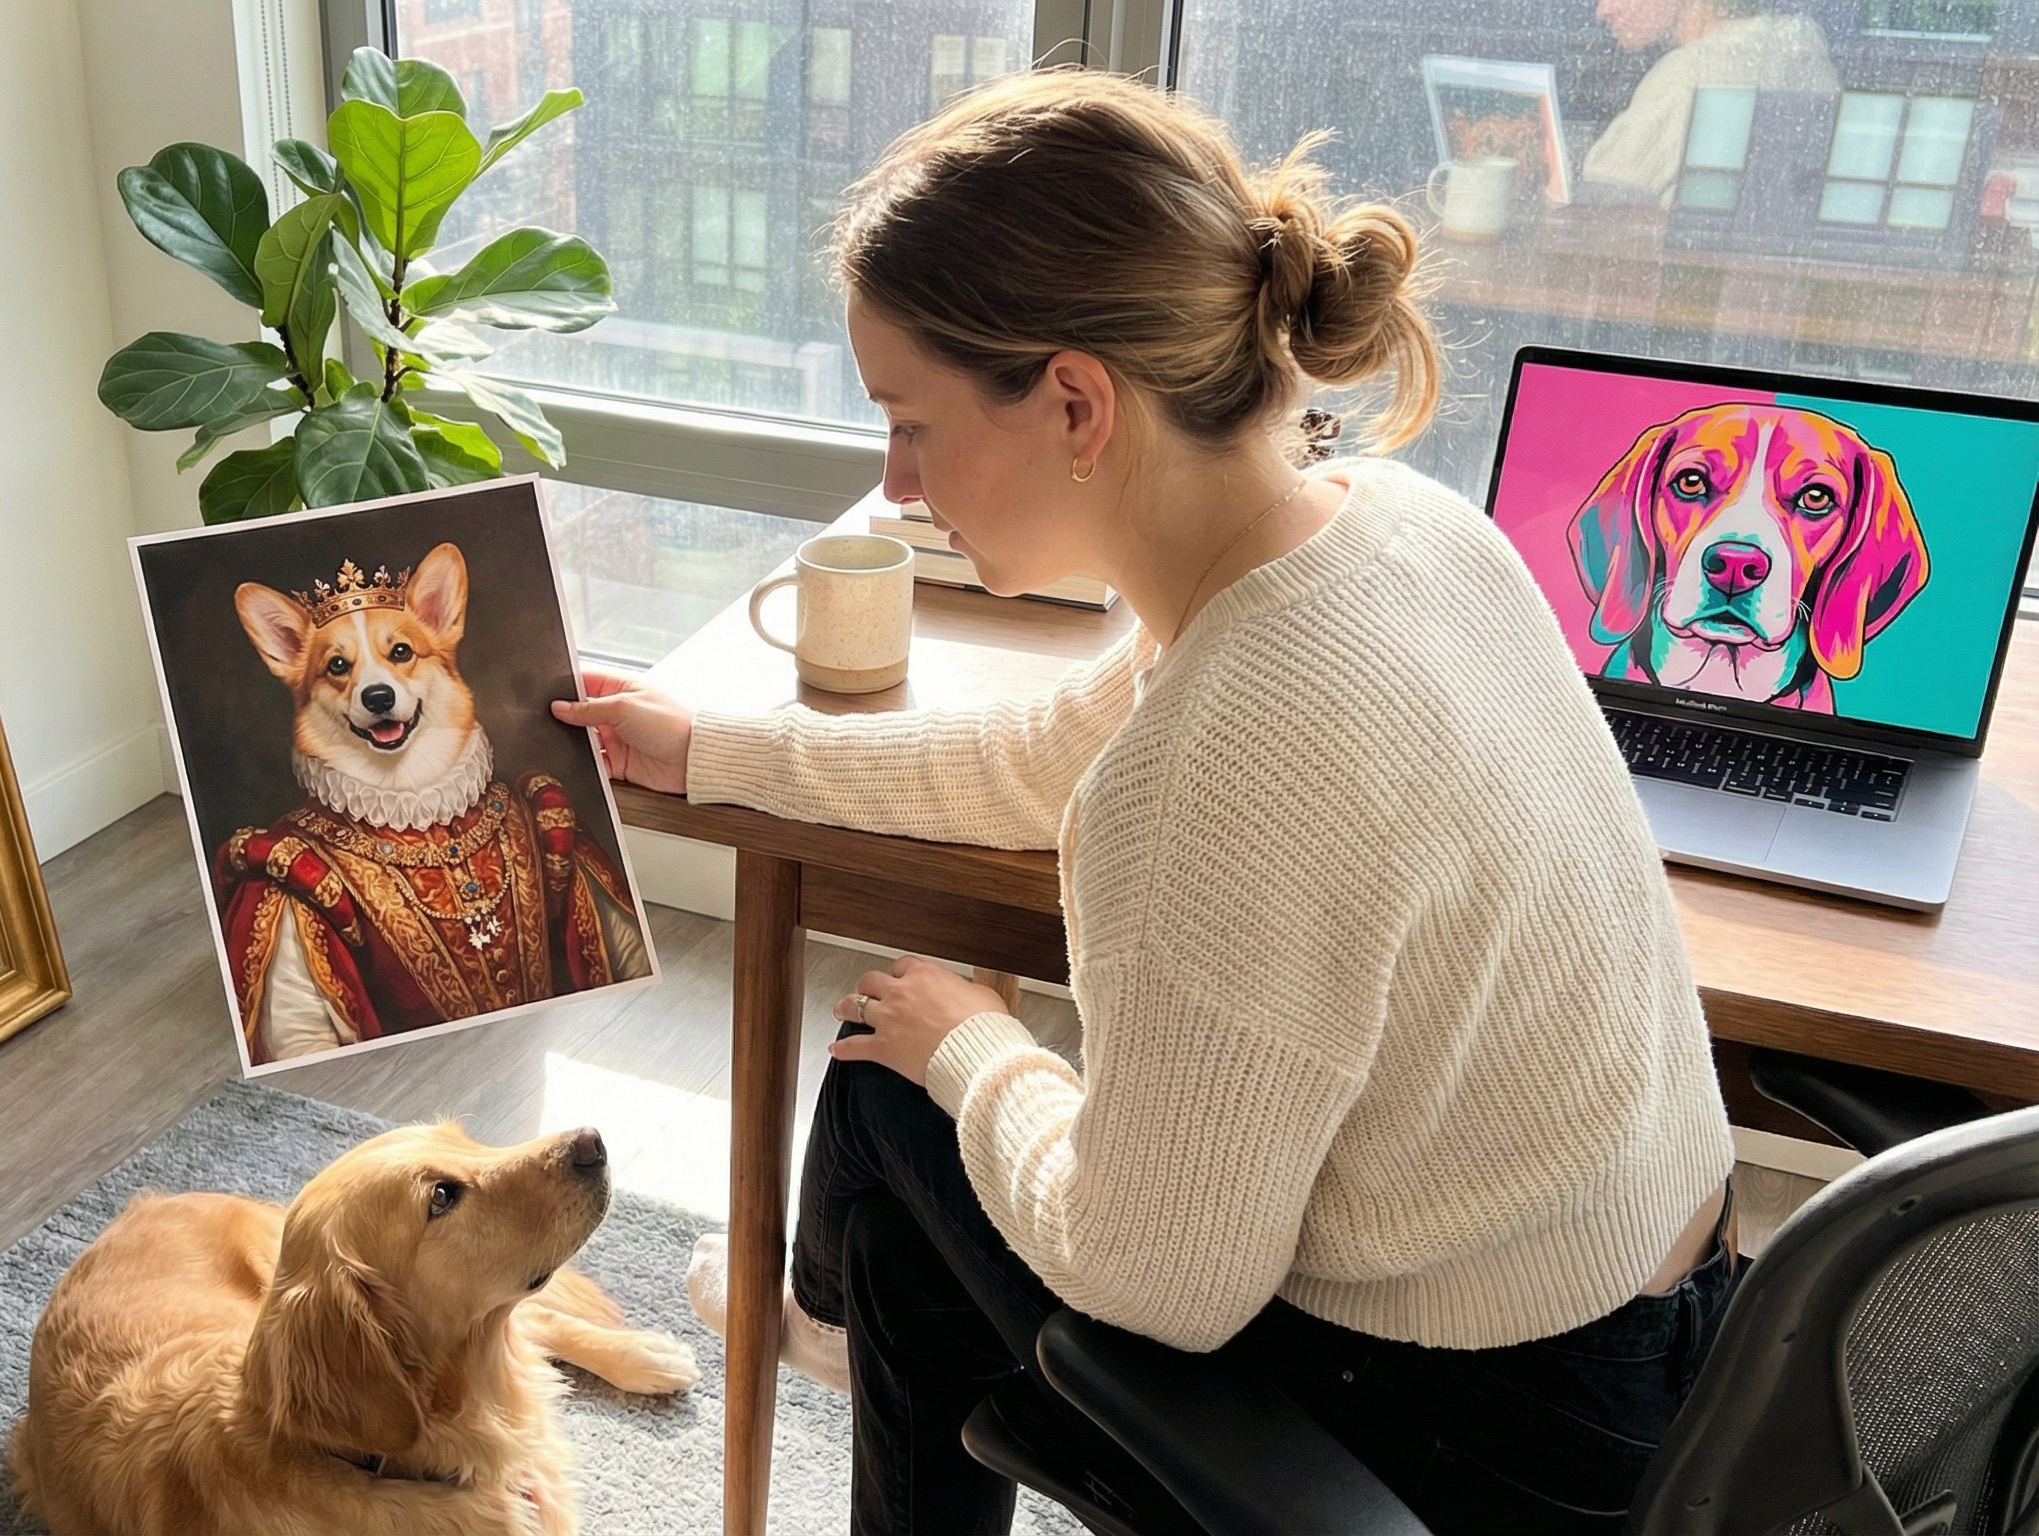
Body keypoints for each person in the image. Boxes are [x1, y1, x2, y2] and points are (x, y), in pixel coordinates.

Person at [552, 69, 1740, 1536]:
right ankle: (854, 1311)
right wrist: (711, 750)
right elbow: (1038, 753)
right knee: (922, 1159)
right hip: (1695, 1357)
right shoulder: (1404, 528)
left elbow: (1156, 1285)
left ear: (1073, 402)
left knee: (889, 1073)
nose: (897, 482)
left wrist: (978, 1049)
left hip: (1483, 1446)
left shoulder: (1221, 756)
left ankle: (831, 1320)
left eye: (911, 421)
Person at [1580, 0, 1837, 200]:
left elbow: (1603, 191)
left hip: (1691, 263)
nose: (1602, 11)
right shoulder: (1802, 52)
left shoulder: (1687, 74)